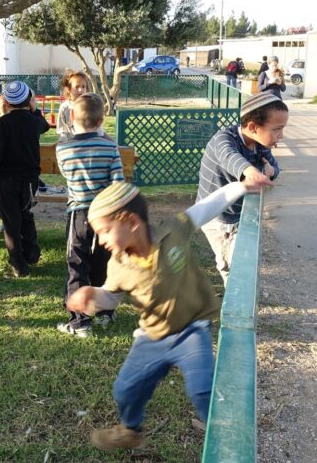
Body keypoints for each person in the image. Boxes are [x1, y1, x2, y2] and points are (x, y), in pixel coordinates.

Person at [66, 177, 271, 451]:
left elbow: (207, 206)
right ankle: (130, 430)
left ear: (130, 221)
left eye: (104, 231)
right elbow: (112, 298)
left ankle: (227, 442)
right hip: (151, 336)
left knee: (203, 389)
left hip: (191, 331)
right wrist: (93, 296)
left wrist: (242, 186)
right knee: (125, 390)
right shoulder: (118, 265)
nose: (100, 240)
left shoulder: (173, 231)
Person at [197, 92, 288, 281]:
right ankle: (234, 308)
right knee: (229, 266)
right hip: (218, 218)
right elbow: (230, 157)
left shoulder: (260, 144)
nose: (281, 135)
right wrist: (250, 171)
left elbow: (273, 167)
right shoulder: (223, 139)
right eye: (277, 129)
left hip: (240, 214)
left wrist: (272, 171)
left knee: (242, 260)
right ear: (253, 127)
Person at [55, 93, 124, 338]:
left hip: (79, 213)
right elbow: (118, 181)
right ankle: (105, 311)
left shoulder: (63, 148)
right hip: (106, 212)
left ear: (72, 116)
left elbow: (65, 173)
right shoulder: (110, 146)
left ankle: (79, 321)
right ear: (101, 119)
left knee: (77, 264)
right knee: (104, 261)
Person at [0, 80, 49, 276]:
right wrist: (35, 109)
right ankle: (32, 252)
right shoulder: (35, 121)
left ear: (6, 102)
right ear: (29, 100)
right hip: (29, 179)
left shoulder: (2, 123)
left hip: (6, 179)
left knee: (11, 221)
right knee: (26, 214)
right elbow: (45, 125)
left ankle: (18, 262)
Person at [56, 70, 105, 143]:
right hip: (72, 145)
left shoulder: (90, 104)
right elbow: (62, 130)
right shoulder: (65, 107)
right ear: (69, 89)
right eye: (77, 87)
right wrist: (63, 144)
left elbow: (99, 129)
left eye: (83, 87)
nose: (80, 90)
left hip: (91, 143)